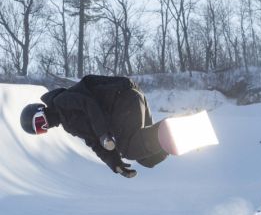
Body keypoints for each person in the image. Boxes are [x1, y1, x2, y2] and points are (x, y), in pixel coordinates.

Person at [20, 75, 168, 178]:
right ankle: (177, 138)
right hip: (129, 99)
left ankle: (173, 128)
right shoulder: (68, 124)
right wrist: (115, 163)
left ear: (41, 110)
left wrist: (103, 134)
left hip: (122, 97)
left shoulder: (61, 101)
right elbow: (93, 141)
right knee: (147, 159)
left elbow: (89, 105)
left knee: (128, 148)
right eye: (41, 129)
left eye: (40, 122)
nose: (45, 126)